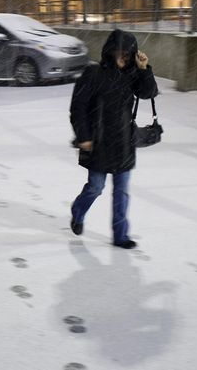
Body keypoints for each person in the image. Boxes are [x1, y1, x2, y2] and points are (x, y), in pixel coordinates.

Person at [69, 29, 158, 248]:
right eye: (119, 53)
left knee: (122, 193)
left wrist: (144, 68)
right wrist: (84, 137)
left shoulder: (133, 75)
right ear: (109, 52)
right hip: (98, 142)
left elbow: (149, 93)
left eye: (127, 54)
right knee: (95, 187)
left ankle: (120, 236)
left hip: (123, 143)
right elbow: (78, 108)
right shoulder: (93, 74)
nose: (123, 57)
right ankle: (78, 212)